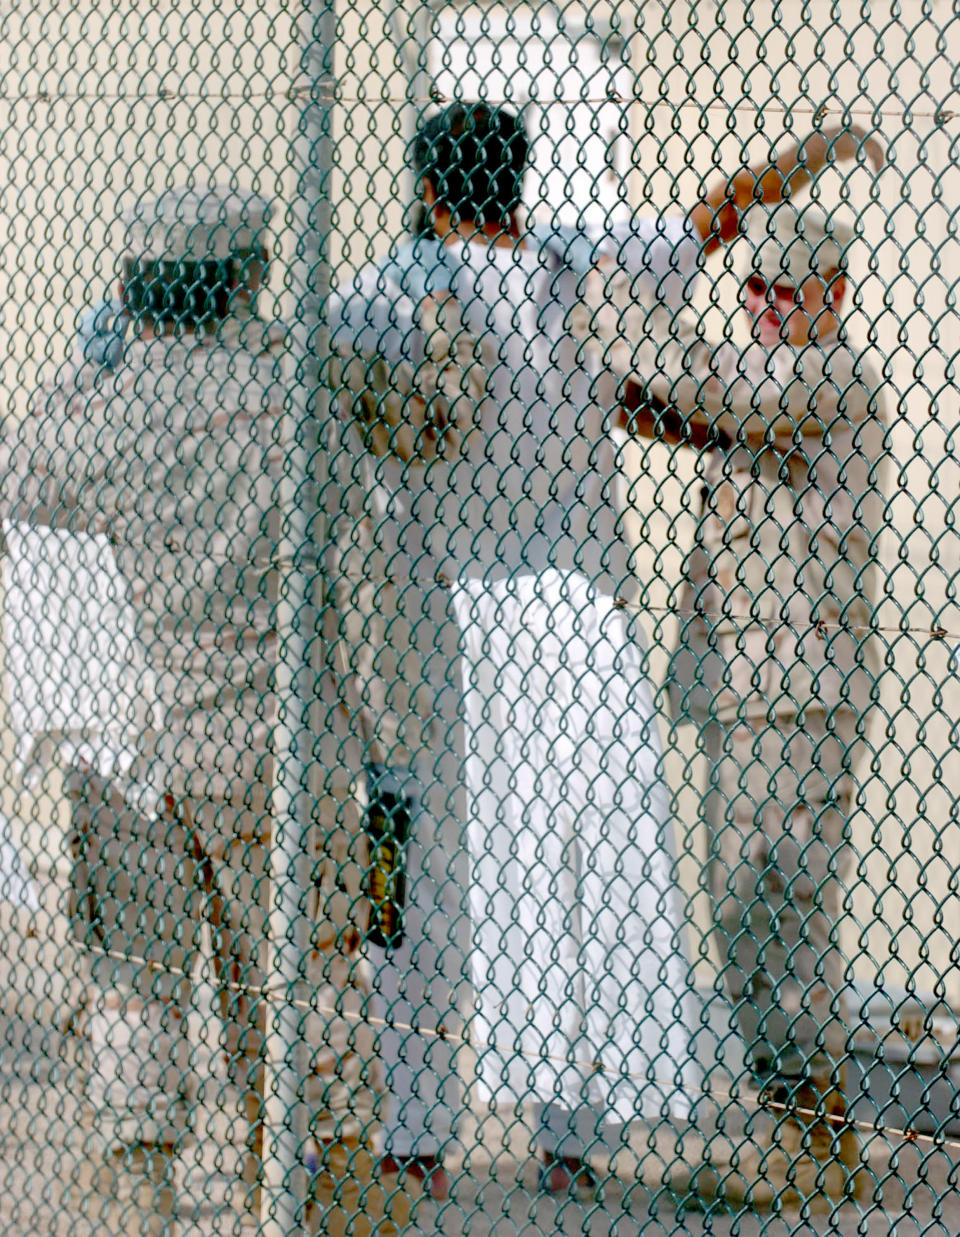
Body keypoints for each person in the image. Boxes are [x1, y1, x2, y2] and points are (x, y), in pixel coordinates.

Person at [328, 101, 878, 1201]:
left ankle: (416, 1133)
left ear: (429, 189)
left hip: (445, 622)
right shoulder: (583, 265)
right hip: (581, 618)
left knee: (422, 865)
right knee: (571, 868)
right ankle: (569, 1139)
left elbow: (317, 357)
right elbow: (711, 223)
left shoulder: (394, 290)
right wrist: (798, 157)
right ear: (522, 180)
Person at [0, 186, 404, 1235]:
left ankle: (140, 1174)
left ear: (133, 287)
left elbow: (19, 487)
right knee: (306, 962)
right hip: (272, 739)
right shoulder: (295, 407)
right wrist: (390, 749)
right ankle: (332, 1165)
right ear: (247, 279)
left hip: (131, 745)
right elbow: (365, 586)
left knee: (132, 967)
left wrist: (88, 364)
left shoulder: (92, 412)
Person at [574, 194, 887, 1211]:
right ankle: (804, 1124)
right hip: (752, 690)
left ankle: (810, 1133)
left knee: (777, 913)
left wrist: (608, 302)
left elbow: (716, 394)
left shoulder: (831, 374)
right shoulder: (777, 374)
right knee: (745, 913)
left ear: (832, 298)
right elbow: (696, 409)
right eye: (748, 286)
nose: (757, 304)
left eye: (781, 292)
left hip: (794, 699)